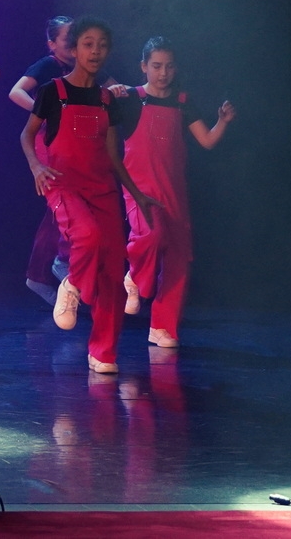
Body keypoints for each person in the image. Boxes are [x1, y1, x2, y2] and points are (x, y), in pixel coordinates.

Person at [19, 18, 159, 374]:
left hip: (102, 188)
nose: (95, 51)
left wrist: (136, 194)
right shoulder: (52, 91)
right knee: (88, 236)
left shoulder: (107, 99)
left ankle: (103, 353)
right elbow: (27, 135)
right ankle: (73, 283)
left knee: (112, 274)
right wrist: (36, 166)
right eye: (88, 44)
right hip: (64, 185)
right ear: (74, 49)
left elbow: (113, 155)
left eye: (102, 45)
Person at [111, 37, 234, 348]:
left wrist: (222, 122)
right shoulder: (130, 98)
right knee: (152, 236)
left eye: (168, 66)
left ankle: (162, 327)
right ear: (144, 67)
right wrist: (109, 93)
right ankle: (134, 276)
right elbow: (100, 116)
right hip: (140, 190)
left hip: (174, 191)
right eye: (156, 66)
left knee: (178, 259)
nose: (163, 73)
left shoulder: (182, 101)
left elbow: (206, 141)